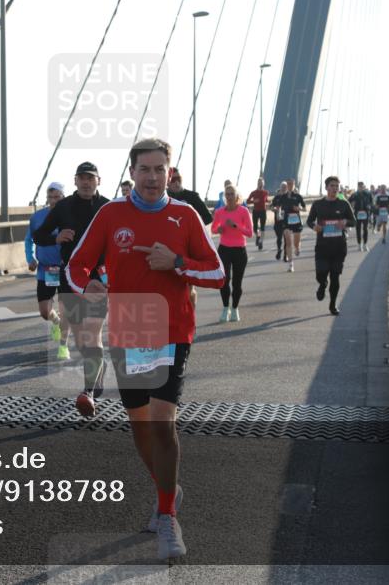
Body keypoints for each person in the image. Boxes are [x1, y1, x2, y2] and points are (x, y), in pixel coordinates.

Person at [66, 138, 224, 560]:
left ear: (169, 173)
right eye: (145, 170)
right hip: (130, 328)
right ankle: (166, 488)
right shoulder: (111, 214)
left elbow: (218, 273)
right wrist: (89, 285)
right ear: (132, 172)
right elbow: (76, 265)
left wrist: (175, 263)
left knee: (161, 424)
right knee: (139, 427)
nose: (153, 178)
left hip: (173, 330)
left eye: (160, 170)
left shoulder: (185, 215)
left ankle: (168, 516)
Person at [33, 162, 109, 415]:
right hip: (69, 276)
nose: (87, 183)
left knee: (92, 332)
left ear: (99, 181)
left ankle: (87, 391)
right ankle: (98, 368)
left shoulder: (108, 207)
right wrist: (55, 238)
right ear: (75, 182)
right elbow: (39, 235)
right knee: (80, 337)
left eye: (91, 178)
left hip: (98, 277)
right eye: (82, 178)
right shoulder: (63, 207)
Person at [25, 182, 71, 360]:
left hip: (65, 269)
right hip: (45, 269)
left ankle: (63, 346)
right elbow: (29, 240)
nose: (53, 201)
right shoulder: (37, 217)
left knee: (66, 309)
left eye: (57, 197)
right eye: (50, 197)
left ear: (63, 198)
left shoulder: (70, 216)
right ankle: (55, 321)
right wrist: (30, 258)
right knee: (45, 312)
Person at [307, 176, 356, 315]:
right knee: (320, 274)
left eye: (337, 186)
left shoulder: (344, 204)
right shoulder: (318, 204)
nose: (335, 188)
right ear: (326, 187)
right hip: (322, 246)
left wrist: (345, 222)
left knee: (335, 277)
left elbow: (354, 221)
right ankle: (322, 284)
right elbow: (309, 221)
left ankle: (333, 305)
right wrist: (314, 226)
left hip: (339, 247)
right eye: (332, 186)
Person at [167, 167, 213, 310]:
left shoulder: (192, 196)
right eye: (173, 180)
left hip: (188, 248)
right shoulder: (163, 198)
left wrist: (191, 230)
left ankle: (191, 317)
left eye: (178, 179)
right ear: (168, 181)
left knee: (188, 287)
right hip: (168, 248)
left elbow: (207, 217)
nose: (176, 182)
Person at [212, 183, 253, 322]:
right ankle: (225, 309)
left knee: (237, 283)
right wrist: (219, 230)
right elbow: (213, 228)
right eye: (227, 194)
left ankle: (235, 308)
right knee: (224, 280)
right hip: (224, 249)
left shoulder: (243, 211)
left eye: (231, 194)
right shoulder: (220, 212)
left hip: (239, 250)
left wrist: (235, 226)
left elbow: (250, 233)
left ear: (237, 196)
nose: (229, 197)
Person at [278, 178, 306, 272]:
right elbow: (278, 206)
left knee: (296, 243)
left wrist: (299, 208)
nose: (290, 186)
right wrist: (278, 214)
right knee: (288, 242)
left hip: (296, 220)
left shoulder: (298, 196)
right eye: (288, 184)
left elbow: (304, 208)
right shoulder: (283, 196)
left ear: (294, 185)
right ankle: (291, 264)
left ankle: (297, 248)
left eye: (291, 184)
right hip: (286, 221)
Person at [246, 178, 270, 251]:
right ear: (257, 183)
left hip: (263, 211)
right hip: (256, 211)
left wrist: (270, 202)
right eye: (259, 182)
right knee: (255, 228)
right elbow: (247, 201)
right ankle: (258, 236)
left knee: (262, 227)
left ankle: (261, 242)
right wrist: (254, 201)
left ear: (264, 184)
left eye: (262, 183)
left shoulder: (266, 192)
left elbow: (266, 200)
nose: (260, 184)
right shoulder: (253, 192)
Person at [349, 181, 374, 251]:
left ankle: (365, 244)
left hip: (366, 213)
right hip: (357, 213)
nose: (361, 188)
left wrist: (370, 208)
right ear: (358, 187)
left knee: (365, 229)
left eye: (362, 186)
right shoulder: (354, 194)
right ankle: (359, 245)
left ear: (364, 186)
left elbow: (372, 203)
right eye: (359, 186)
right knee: (358, 229)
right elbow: (349, 202)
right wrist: (352, 206)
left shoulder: (368, 194)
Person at [270, 181, 288, 260]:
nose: (284, 188)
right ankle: (279, 250)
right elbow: (271, 206)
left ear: (287, 188)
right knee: (279, 238)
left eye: (285, 187)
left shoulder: (289, 197)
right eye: (282, 187)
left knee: (286, 238)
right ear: (280, 188)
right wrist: (274, 209)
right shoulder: (276, 198)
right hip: (278, 221)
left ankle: (286, 254)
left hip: (287, 222)